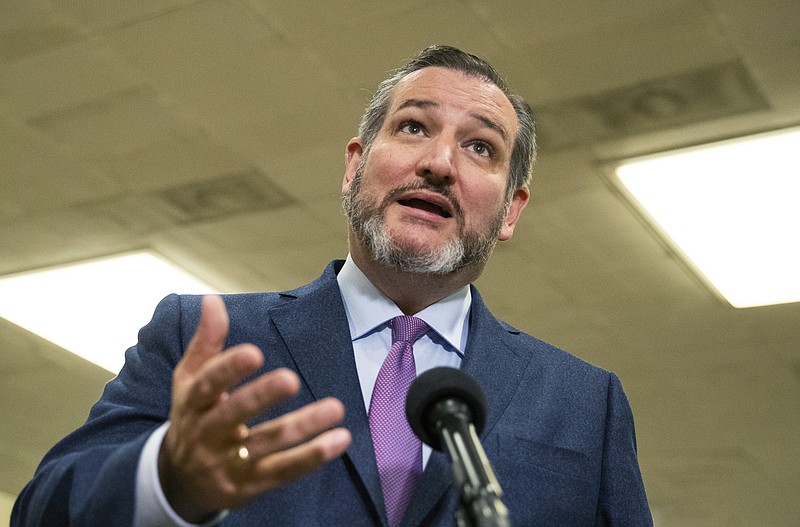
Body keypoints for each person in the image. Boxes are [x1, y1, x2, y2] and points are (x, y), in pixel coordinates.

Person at [11, 45, 652, 526]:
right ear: (354, 167)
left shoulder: (584, 403)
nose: (439, 162)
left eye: (481, 147)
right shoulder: (205, 338)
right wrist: (168, 479)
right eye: (413, 127)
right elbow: (44, 511)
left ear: (511, 209)